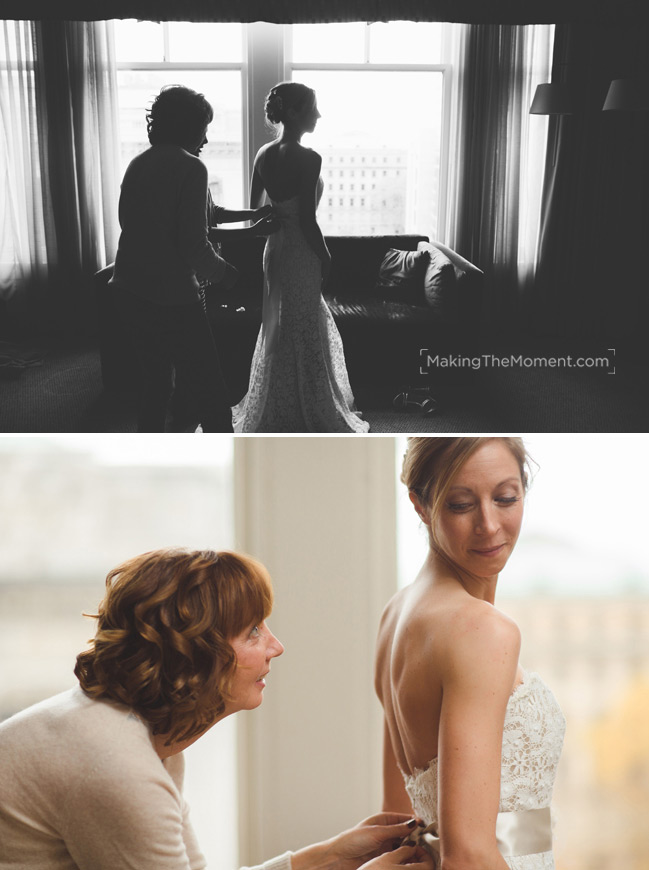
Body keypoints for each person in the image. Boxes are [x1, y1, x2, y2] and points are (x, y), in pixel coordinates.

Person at [0, 548, 432, 870]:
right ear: (193, 654)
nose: (276, 647)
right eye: (253, 631)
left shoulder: (139, 733)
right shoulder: (117, 767)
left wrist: (331, 856)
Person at [375, 438, 566, 870]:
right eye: (461, 504)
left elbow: (399, 822)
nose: (489, 524)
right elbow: (469, 855)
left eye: (505, 498)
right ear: (421, 505)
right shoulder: (480, 629)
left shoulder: (396, 613)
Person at [109, 85, 275, 433]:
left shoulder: (139, 163)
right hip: (171, 296)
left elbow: (210, 214)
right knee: (210, 390)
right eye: (204, 128)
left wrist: (256, 217)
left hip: (128, 290)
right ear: (188, 126)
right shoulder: (191, 168)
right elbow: (194, 244)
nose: (207, 139)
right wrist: (230, 275)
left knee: (155, 384)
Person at [232, 82, 369, 433]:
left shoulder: (263, 154)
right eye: (313, 108)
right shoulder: (309, 158)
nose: (318, 115)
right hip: (300, 252)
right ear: (293, 113)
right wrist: (325, 257)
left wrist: (276, 219)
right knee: (304, 323)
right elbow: (308, 221)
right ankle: (308, 403)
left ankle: (274, 402)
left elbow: (255, 212)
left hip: (274, 250)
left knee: (277, 325)